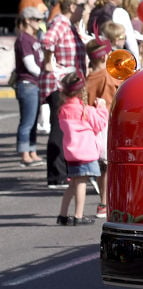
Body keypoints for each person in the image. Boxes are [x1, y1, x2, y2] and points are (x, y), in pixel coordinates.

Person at [41, 0, 88, 189]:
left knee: (64, 128)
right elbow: (47, 41)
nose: (83, 10)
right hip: (59, 84)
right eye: (81, 6)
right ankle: (56, 175)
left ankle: (62, 171)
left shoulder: (70, 25)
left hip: (68, 84)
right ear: (71, 7)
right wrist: (49, 63)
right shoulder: (60, 23)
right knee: (59, 129)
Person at [55, 71, 107, 227]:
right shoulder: (86, 110)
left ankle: (63, 215)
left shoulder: (63, 110)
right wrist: (101, 108)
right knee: (81, 183)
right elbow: (100, 124)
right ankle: (78, 215)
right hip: (85, 152)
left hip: (71, 153)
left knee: (73, 183)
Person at [85, 39, 121, 219]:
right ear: (106, 55)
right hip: (108, 122)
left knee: (103, 166)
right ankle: (106, 203)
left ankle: (103, 201)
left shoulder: (88, 77)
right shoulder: (109, 75)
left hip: (93, 124)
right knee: (109, 166)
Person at [14, 7, 46, 167]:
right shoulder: (23, 39)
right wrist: (46, 74)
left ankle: (32, 151)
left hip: (35, 84)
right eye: (37, 19)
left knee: (33, 120)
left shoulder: (33, 38)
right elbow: (30, 65)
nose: (40, 23)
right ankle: (24, 154)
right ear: (27, 20)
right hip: (27, 84)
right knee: (27, 121)